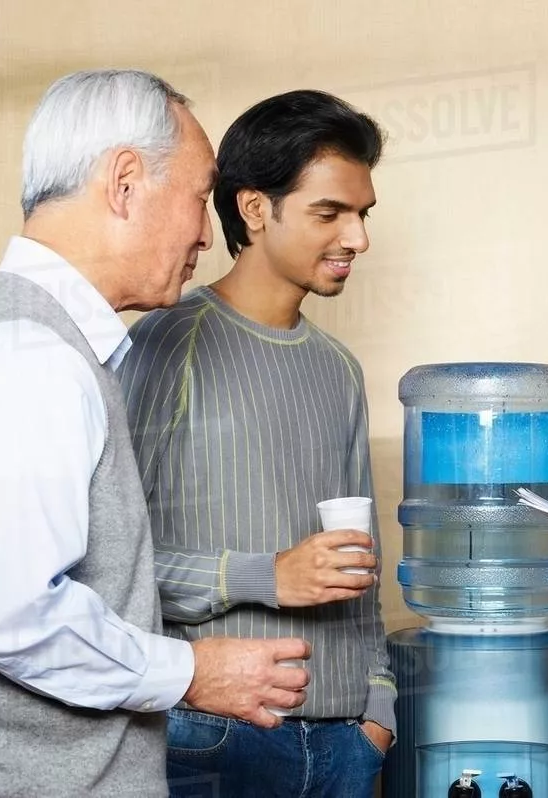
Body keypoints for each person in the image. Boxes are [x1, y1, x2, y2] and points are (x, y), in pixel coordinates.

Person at [0, 69, 310, 798]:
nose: (207, 232)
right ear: (126, 181)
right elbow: (2, 612)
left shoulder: (23, 337)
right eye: (200, 197)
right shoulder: (28, 354)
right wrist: (191, 672)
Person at [118, 89, 394, 798]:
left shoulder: (339, 369)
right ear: (253, 209)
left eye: (362, 214)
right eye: (329, 213)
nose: (356, 238)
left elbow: (362, 566)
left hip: (345, 744)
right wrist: (264, 576)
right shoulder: (165, 342)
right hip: (211, 735)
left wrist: (377, 714)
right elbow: (106, 570)